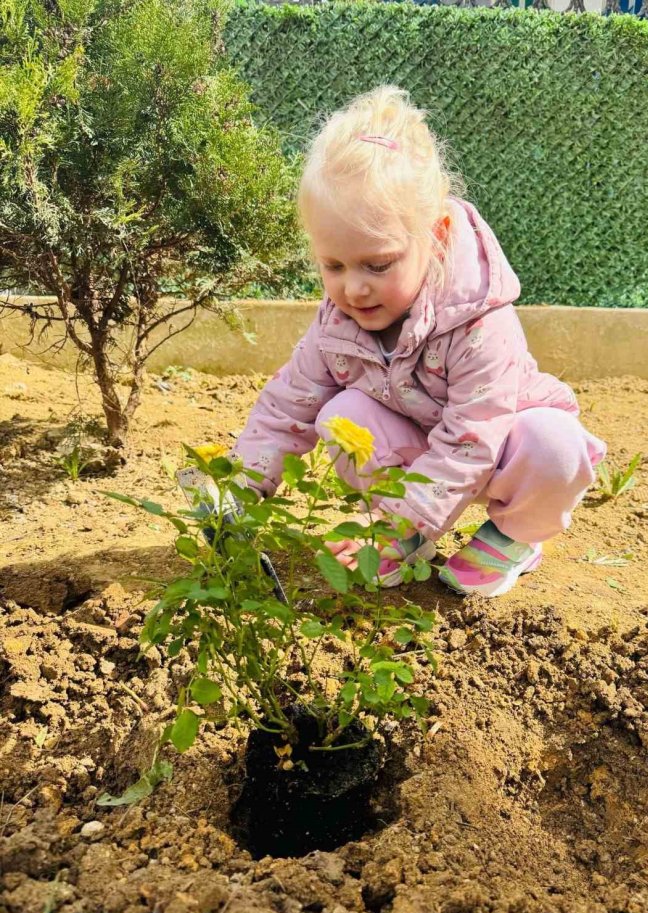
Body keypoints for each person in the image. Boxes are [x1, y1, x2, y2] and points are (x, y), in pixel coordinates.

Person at [231, 86, 606, 598]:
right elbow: (284, 409)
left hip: (499, 453)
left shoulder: (478, 322)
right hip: (416, 453)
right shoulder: (336, 325)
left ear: (436, 233)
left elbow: (472, 439)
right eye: (333, 266)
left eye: (377, 264)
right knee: (340, 416)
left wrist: (399, 525)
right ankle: (409, 537)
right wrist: (236, 489)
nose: (354, 287)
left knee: (554, 444)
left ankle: (511, 538)